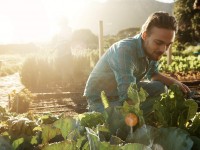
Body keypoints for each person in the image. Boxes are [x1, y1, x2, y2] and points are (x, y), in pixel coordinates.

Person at [84, 11, 191, 113]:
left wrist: (174, 82)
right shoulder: (125, 50)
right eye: (158, 42)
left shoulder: (151, 51)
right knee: (120, 124)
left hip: (121, 94)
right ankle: (99, 115)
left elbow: (153, 74)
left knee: (160, 88)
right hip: (102, 100)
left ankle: (132, 118)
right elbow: (127, 96)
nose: (163, 50)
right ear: (144, 36)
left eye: (168, 44)